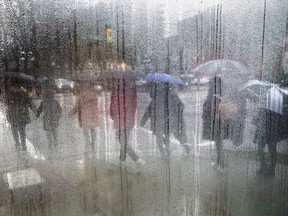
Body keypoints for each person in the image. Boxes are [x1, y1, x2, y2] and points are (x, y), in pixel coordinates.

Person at [202, 76, 246, 168]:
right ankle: (220, 161)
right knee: (219, 142)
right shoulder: (221, 95)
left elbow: (207, 110)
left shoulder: (213, 96)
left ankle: (221, 162)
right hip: (221, 122)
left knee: (219, 143)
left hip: (217, 123)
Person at [140, 83, 190, 156]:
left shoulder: (157, 98)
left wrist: (142, 122)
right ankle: (182, 148)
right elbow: (181, 107)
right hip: (168, 122)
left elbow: (148, 111)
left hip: (161, 122)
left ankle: (165, 151)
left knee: (161, 137)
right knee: (170, 135)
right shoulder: (172, 97)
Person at [109, 76, 145, 165]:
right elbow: (133, 108)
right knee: (124, 141)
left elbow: (112, 108)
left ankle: (137, 160)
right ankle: (122, 160)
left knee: (122, 142)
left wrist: (114, 117)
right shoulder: (131, 93)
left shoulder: (116, 93)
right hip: (128, 121)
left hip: (120, 120)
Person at [69, 82, 101, 150]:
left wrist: (71, 113)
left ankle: (88, 141)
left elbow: (77, 106)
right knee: (93, 129)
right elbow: (96, 103)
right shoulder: (95, 94)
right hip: (94, 114)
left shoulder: (82, 95)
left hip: (86, 114)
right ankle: (93, 142)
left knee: (86, 129)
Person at [5, 85, 36, 151]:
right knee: (17, 130)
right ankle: (19, 143)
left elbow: (30, 102)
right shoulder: (10, 96)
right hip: (16, 116)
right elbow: (30, 102)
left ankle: (21, 143)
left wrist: (35, 111)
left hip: (18, 116)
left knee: (19, 129)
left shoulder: (20, 96)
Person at [36, 81, 62, 147]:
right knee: (54, 130)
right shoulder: (55, 102)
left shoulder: (44, 102)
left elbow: (39, 109)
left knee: (49, 131)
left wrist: (37, 114)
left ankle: (51, 143)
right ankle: (55, 142)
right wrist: (58, 116)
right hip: (54, 117)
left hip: (47, 118)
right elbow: (60, 110)